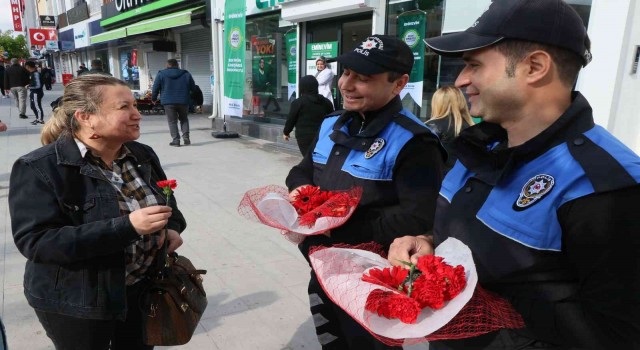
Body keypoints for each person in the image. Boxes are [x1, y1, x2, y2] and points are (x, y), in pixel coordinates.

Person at [387, 0, 640, 348]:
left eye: (474, 65)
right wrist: (428, 242)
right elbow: (473, 235)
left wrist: (483, 320)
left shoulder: (605, 186)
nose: (461, 80)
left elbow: (617, 335)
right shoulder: (480, 148)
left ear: (534, 67)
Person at [286, 34, 445, 350]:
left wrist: (338, 231)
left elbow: (418, 215)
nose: (347, 84)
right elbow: (302, 170)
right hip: (322, 266)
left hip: (374, 280)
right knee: (331, 339)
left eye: (363, 79)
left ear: (398, 84)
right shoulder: (330, 124)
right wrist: (299, 190)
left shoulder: (415, 142)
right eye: (346, 73)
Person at [8, 74, 187, 350]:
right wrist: (127, 227)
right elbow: (37, 242)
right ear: (86, 117)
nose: (137, 114)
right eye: (123, 107)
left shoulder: (141, 154)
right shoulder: (39, 168)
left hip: (141, 289)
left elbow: (168, 202)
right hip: (79, 301)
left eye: (135, 105)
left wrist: (172, 226)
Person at [425, 86, 474, 172]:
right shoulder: (472, 127)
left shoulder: (433, 126)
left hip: (440, 180)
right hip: (463, 180)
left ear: (437, 103)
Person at [283, 75, 334, 155]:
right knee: (320, 160)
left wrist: (286, 132)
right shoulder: (326, 102)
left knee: (309, 160)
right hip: (323, 136)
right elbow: (332, 119)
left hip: (304, 137)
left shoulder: (298, 103)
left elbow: (291, 119)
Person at [152, 58, 196, 146]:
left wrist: (154, 98)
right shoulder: (186, 74)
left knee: (172, 121)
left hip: (168, 102)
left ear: (167, 65)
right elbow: (193, 88)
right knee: (184, 119)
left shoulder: (161, 74)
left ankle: (176, 140)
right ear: (177, 65)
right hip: (183, 101)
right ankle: (186, 137)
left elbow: (155, 87)